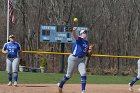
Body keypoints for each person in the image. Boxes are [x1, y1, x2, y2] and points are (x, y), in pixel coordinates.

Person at [57, 27, 93, 93]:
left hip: (81, 59)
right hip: (73, 59)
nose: (86, 34)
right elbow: (74, 35)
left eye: (86, 33)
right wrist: (73, 30)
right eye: (84, 33)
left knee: (83, 73)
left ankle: (83, 91)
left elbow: (87, 54)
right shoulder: (79, 39)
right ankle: (61, 84)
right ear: (81, 34)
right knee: (68, 75)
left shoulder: (87, 43)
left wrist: (89, 51)